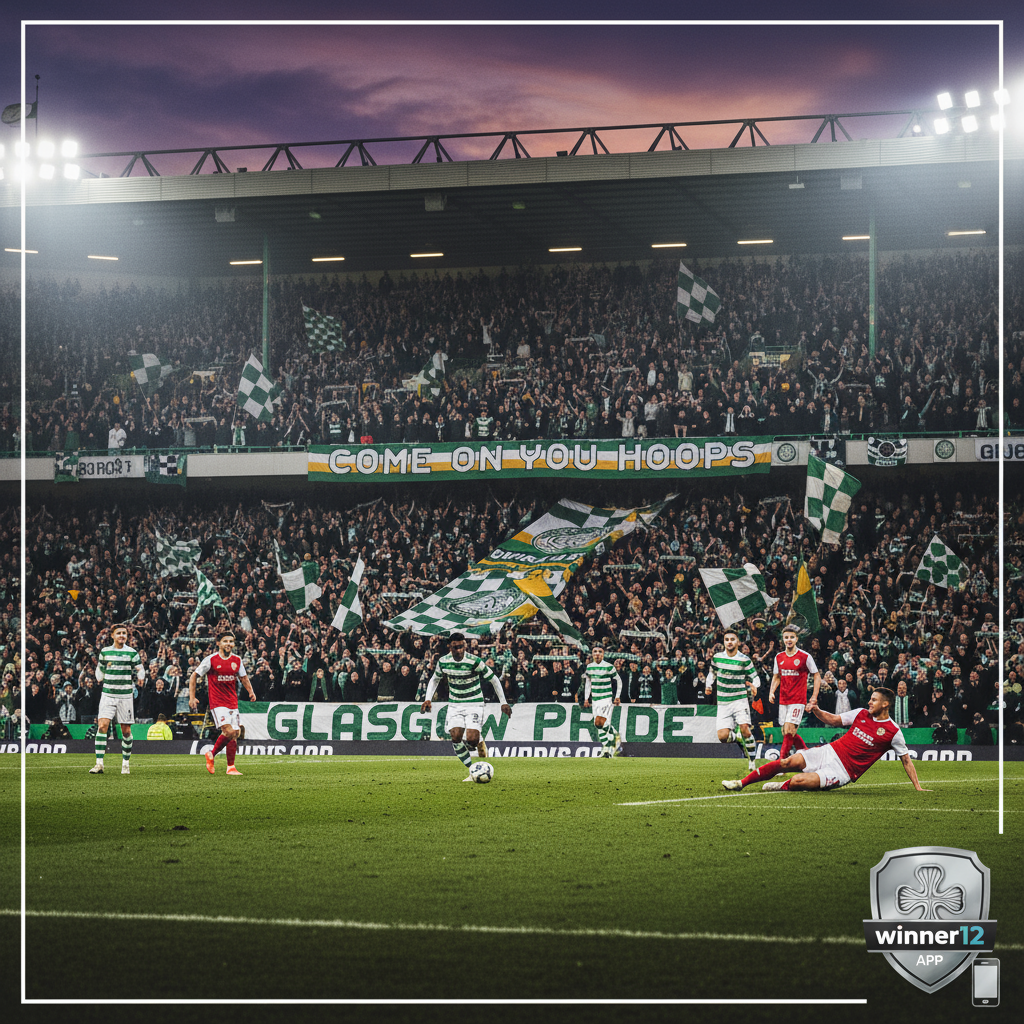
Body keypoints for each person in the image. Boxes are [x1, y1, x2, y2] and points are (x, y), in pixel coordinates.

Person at [723, 687, 926, 793]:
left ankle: (784, 785)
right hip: (830, 751)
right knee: (787, 762)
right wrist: (817, 710)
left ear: (885, 704)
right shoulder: (861, 713)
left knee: (799, 781)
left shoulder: (893, 731)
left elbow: (906, 760)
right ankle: (741, 783)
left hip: (842, 771)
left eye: (874, 700)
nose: (869, 702)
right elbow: (834, 720)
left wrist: (917, 786)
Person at [420, 632, 511, 780]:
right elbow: (435, 679)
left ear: (465, 646)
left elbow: (494, 679)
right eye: (456, 647)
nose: (459, 650)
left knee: (472, 740)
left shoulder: (474, 661)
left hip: (474, 703)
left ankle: (479, 740)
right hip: (455, 704)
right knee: (455, 737)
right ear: (450, 647)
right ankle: (472, 771)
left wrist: (504, 702)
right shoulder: (443, 662)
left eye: (462, 646)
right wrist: (428, 699)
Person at [188, 629, 256, 776]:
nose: (228, 644)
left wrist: (251, 691)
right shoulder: (211, 660)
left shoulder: (237, 660)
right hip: (217, 703)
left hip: (232, 702)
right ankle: (212, 754)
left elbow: (243, 678)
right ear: (218, 643)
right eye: (225, 641)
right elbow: (194, 676)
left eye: (231, 641)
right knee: (229, 731)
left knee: (235, 733)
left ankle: (230, 767)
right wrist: (192, 697)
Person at [90, 623, 145, 775]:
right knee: (102, 726)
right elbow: (100, 668)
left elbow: (140, 668)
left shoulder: (132, 653)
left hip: (125, 696)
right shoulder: (105, 652)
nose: (122, 635)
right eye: (119, 633)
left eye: (124, 633)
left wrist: (141, 676)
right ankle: (99, 764)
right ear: (112, 635)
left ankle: (125, 764)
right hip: (108, 694)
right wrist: (99, 676)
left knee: (126, 731)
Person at [705, 628, 759, 772]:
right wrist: (708, 685)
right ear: (724, 642)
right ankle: (738, 738)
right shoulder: (717, 658)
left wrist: (755, 685)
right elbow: (711, 674)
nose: (729, 642)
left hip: (739, 700)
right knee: (722, 736)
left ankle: (752, 762)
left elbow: (755, 677)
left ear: (738, 642)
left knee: (745, 729)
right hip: (723, 702)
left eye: (732, 639)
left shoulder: (744, 659)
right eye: (727, 640)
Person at [769, 626, 822, 759]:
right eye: (786, 637)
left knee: (788, 730)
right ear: (783, 639)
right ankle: (807, 755)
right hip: (783, 699)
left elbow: (816, 675)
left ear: (797, 639)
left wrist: (814, 697)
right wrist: (771, 691)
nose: (789, 640)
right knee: (787, 732)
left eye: (792, 637)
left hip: (798, 700)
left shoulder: (805, 656)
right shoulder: (779, 657)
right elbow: (776, 676)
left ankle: (782, 762)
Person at [578, 643, 623, 757]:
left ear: (603, 654)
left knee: (602, 722)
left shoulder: (609, 666)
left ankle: (615, 736)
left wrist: (617, 696)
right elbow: (588, 683)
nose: (597, 654)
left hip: (606, 699)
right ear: (592, 654)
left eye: (600, 652)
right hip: (595, 700)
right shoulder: (590, 667)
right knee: (598, 725)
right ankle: (607, 749)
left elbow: (619, 680)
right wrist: (587, 698)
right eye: (595, 651)